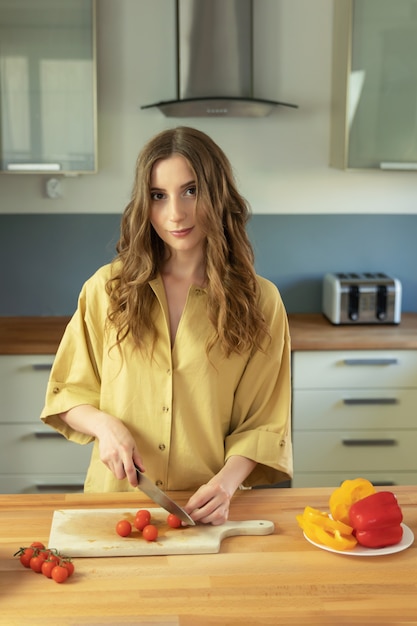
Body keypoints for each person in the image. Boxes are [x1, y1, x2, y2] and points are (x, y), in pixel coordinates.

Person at [40, 126, 292, 526]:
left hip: (206, 511)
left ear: (218, 194)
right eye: (159, 196)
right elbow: (68, 394)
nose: (175, 213)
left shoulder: (261, 303)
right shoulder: (107, 290)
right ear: (145, 203)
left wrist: (226, 485)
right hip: (115, 509)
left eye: (191, 191)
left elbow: (263, 422)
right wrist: (104, 426)